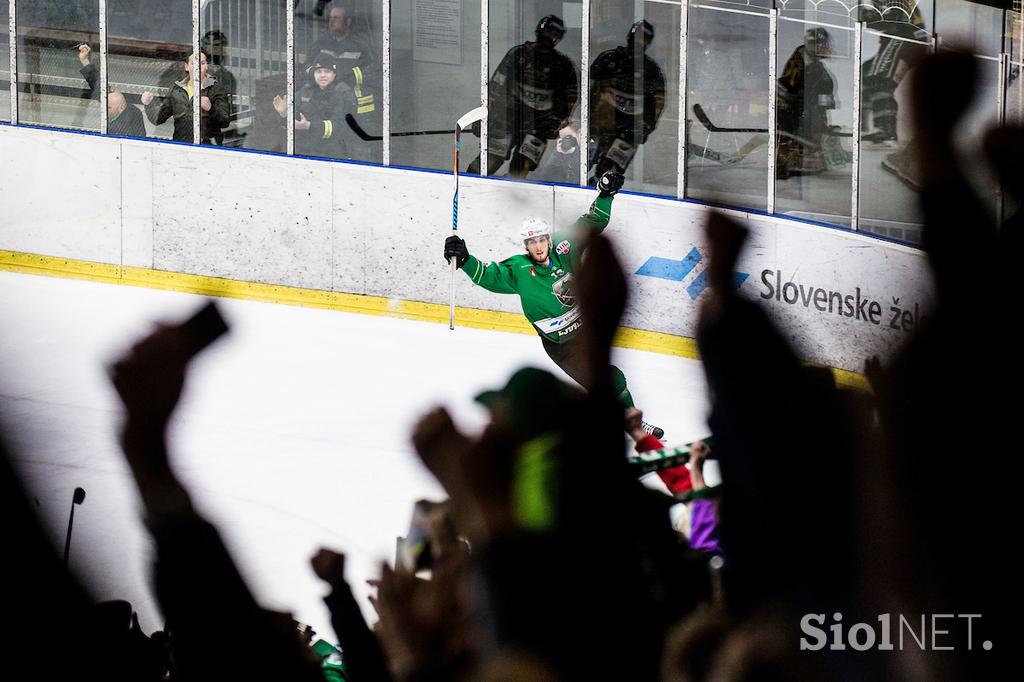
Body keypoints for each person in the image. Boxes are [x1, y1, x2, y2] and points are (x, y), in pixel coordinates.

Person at [443, 171, 664, 438]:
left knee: (611, 380)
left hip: (587, 331)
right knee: (607, 381)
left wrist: (606, 195)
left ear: (548, 239)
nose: (538, 246)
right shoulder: (519, 269)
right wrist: (465, 259)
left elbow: (592, 222)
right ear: (526, 245)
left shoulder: (564, 246)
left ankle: (627, 423)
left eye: (541, 240)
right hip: (562, 346)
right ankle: (621, 426)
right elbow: (488, 276)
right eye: (532, 242)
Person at [465, 15, 579, 178]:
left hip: (539, 126)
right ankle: (467, 190)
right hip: (506, 119)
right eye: (547, 31)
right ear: (539, 30)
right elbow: (495, 87)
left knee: (521, 167)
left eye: (554, 34)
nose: (549, 36)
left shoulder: (563, 65)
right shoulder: (518, 54)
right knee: (490, 159)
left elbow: (571, 98)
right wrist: (481, 116)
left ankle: (509, 197)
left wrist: (559, 120)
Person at [587, 20, 666, 184]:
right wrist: (587, 119)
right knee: (581, 164)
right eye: (638, 36)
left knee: (610, 173)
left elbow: (658, 102)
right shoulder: (607, 58)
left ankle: (597, 195)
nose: (640, 41)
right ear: (630, 36)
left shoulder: (651, 69)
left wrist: (647, 126)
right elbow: (589, 91)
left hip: (629, 130)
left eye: (645, 39)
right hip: (601, 126)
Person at [775, 27, 847, 178]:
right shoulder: (801, 61)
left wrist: (821, 120)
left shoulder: (820, 71)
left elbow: (821, 101)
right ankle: (784, 165)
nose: (822, 48)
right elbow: (789, 87)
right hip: (788, 106)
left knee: (806, 131)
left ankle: (795, 164)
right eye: (818, 44)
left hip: (799, 106)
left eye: (823, 44)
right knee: (789, 133)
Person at [273, 52, 357, 159]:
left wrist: (309, 126)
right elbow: (294, 124)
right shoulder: (306, 90)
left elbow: (342, 128)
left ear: (335, 74)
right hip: (306, 150)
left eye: (327, 71)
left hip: (333, 152)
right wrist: (284, 114)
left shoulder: (343, 92)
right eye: (318, 71)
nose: (322, 75)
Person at [141, 49, 230, 144]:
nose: (198, 67)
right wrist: (149, 104)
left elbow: (224, 121)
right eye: (194, 63)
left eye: (202, 63)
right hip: (181, 145)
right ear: (187, 67)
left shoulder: (216, 88)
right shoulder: (177, 89)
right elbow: (158, 119)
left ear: (206, 66)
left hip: (208, 146)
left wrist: (211, 109)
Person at [77, 44, 147, 138]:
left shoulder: (123, 127)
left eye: (109, 107)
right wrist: (85, 61)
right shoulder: (116, 104)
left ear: (121, 108)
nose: (104, 109)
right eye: (105, 105)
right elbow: (98, 85)